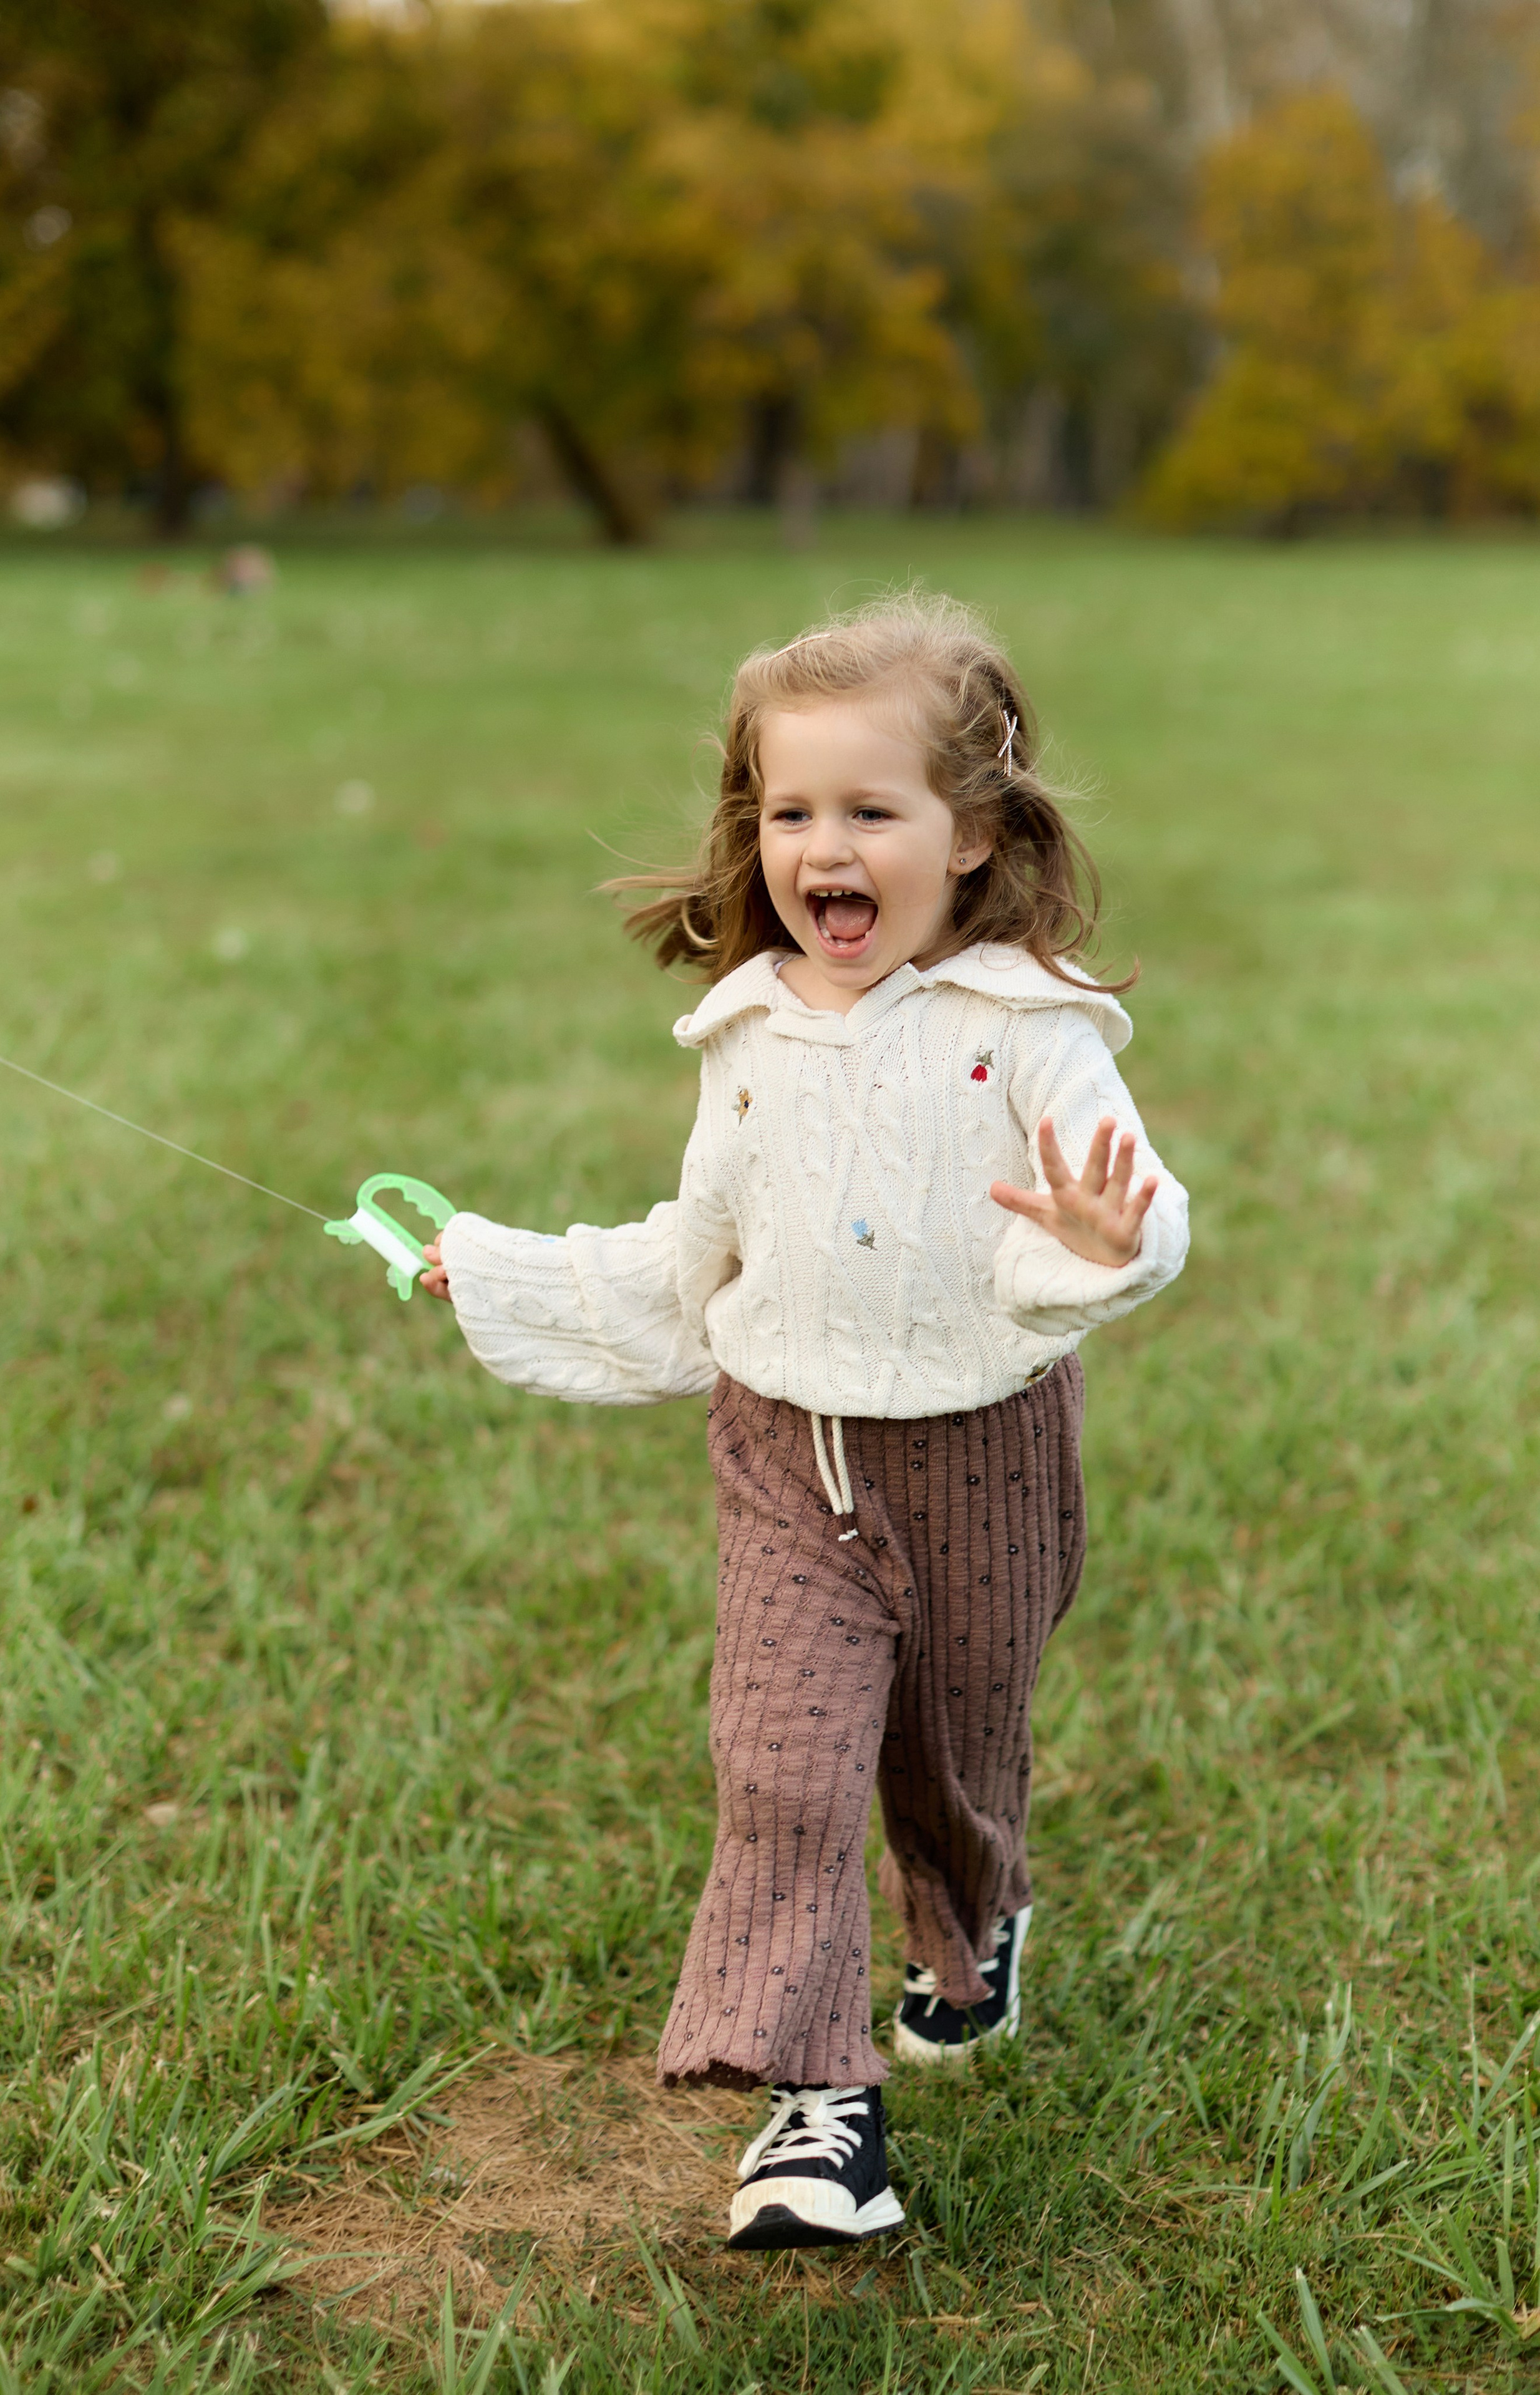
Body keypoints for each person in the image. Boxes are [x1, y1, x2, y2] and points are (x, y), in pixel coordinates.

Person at [421, 594, 1188, 2252]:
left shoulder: (1029, 1031)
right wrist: (490, 1268)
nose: (819, 849)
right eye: (788, 814)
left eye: (868, 812)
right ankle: (817, 2113)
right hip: (788, 1459)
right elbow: (698, 1254)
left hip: (979, 1458)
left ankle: (973, 1924)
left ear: (971, 835)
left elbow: (1130, 1207)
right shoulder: (751, 1033)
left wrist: (1106, 1244)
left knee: (952, 1756)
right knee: (784, 1768)